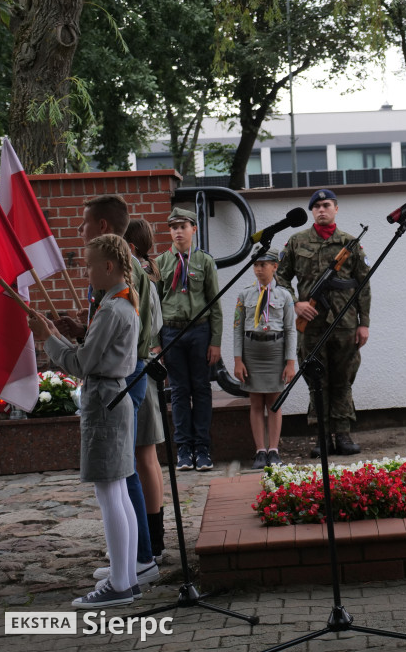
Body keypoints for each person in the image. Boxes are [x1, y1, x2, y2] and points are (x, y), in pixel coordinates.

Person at [29, 234, 140, 607]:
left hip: (105, 401)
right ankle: (126, 576)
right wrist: (66, 333)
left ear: (108, 267)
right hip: (114, 398)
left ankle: (121, 584)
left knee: (109, 492)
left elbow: (81, 364)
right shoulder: (119, 301)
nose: (86, 273)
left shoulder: (111, 308)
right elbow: (93, 352)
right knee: (118, 490)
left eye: (90, 265)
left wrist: (49, 337)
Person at [55, 196, 160, 587]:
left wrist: (79, 344)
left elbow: (140, 329)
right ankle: (128, 560)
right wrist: (85, 334)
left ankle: (139, 560)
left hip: (122, 381)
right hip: (120, 372)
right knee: (121, 473)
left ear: (102, 227)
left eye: (83, 224)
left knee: (122, 472)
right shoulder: (115, 272)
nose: (79, 232)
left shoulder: (124, 272)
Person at [276, 190, 370, 457]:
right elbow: (281, 278)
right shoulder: (296, 242)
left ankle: (343, 435)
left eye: (326, 205)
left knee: (343, 379)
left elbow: (363, 285)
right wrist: (295, 303)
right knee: (317, 379)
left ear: (336, 209)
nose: (321, 209)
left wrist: (364, 323)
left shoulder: (350, 243)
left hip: (345, 322)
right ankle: (322, 436)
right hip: (312, 323)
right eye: (316, 206)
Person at [155, 207, 223, 472]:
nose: (178, 231)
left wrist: (215, 341)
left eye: (183, 226)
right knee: (180, 392)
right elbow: (154, 305)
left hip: (199, 332)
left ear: (194, 229)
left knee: (201, 389)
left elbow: (215, 303)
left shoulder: (204, 261)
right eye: (173, 227)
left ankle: (202, 448)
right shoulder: (161, 263)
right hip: (171, 333)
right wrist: (155, 342)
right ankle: (183, 449)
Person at [125, 218, 167, 558]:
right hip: (143, 365)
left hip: (141, 368)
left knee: (145, 455)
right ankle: (148, 537)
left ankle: (153, 539)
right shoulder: (141, 275)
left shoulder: (140, 279)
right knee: (143, 455)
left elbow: (151, 326)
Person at [233, 248, 297, 469]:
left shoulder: (285, 296)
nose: (259, 269)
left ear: (275, 267)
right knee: (256, 402)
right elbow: (237, 329)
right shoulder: (245, 295)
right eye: (256, 265)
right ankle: (260, 450)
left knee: (275, 403)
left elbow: (290, 330)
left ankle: (274, 449)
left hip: (275, 350)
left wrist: (290, 362)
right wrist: (238, 360)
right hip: (252, 351)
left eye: (264, 264)